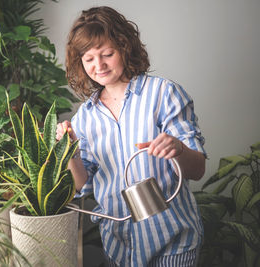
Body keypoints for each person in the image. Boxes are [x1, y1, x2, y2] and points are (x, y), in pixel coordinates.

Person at [56, 6, 207, 267]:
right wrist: (70, 153)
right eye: (88, 58)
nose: (98, 65)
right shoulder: (85, 118)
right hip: (118, 247)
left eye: (107, 54)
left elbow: (198, 169)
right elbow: (81, 185)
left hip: (173, 243)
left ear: (125, 48)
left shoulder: (163, 94)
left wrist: (178, 149)